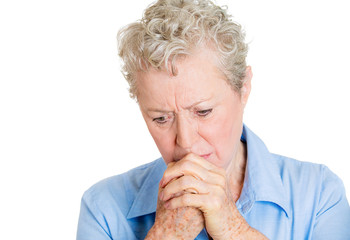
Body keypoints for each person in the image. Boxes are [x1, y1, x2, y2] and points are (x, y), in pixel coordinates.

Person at [76, 0, 350, 239]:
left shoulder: (319, 195)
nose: (186, 143)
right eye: (161, 118)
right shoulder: (103, 208)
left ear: (243, 88)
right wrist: (167, 236)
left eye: (203, 112)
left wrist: (234, 231)